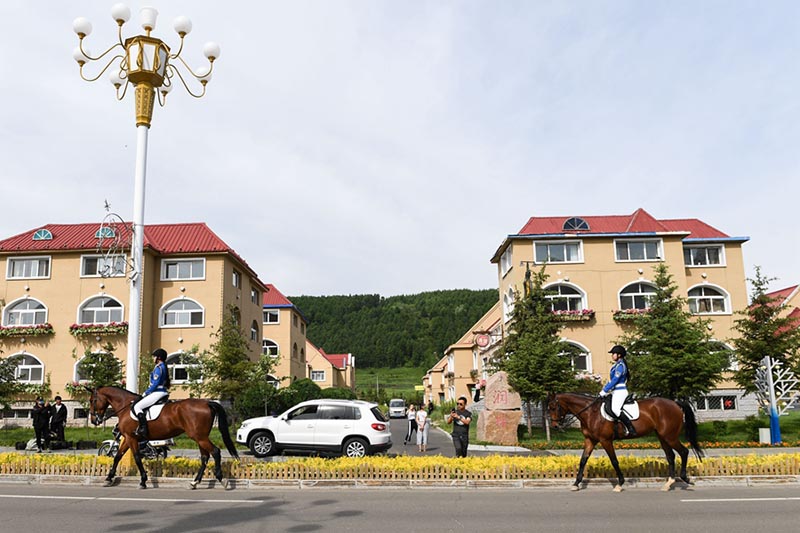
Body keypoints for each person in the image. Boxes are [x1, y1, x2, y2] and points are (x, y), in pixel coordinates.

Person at [132, 348, 171, 439]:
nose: (153, 358)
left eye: (154, 357)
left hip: (157, 392)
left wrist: (146, 393)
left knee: (137, 407)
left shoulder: (159, 368)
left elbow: (155, 383)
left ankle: (143, 428)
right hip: (160, 391)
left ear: (159, 357)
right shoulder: (162, 366)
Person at [599, 344, 636, 437]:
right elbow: (611, 381)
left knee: (615, 409)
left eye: (613, 354)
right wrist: (605, 389)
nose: (612, 355)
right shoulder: (616, 365)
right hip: (615, 391)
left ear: (619, 355)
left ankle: (630, 428)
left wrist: (605, 390)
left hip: (620, 391)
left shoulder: (620, 365)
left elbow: (615, 380)